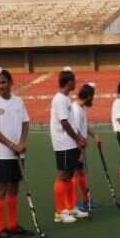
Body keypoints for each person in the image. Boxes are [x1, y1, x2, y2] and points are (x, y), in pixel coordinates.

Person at [0, 67, 31, 238]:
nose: (1, 86)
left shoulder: (19, 101)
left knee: (14, 188)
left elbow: (26, 123)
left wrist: (22, 143)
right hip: (0, 154)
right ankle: (0, 229)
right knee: (1, 190)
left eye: (4, 82)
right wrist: (11, 144)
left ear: (11, 82)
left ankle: (12, 225)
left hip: (18, 153)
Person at [50, 67, 88, 224]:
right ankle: (60, 211)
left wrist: (79, 137)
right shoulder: (59, 99)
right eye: (74, 80)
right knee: (63, 175)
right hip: (63, 143)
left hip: (71, 142)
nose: (76, 83)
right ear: (68, 82)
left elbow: (71, 122)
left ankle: (70, 207)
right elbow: (64, 122)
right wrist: (78, 138)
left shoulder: (67, 99)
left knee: (70, 175)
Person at [72, 83, 101, 213]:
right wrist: (80, 144)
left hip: (81, 145)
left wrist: (95, 135)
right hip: (75, 146)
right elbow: (75, 130)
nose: (93, 100)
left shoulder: (82, 108)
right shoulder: (76, 110)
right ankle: (74, 204)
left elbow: (84, 126)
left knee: (81, 173)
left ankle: (86, 199)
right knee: (74, 174)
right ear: (88, 96)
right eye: (92, 97)